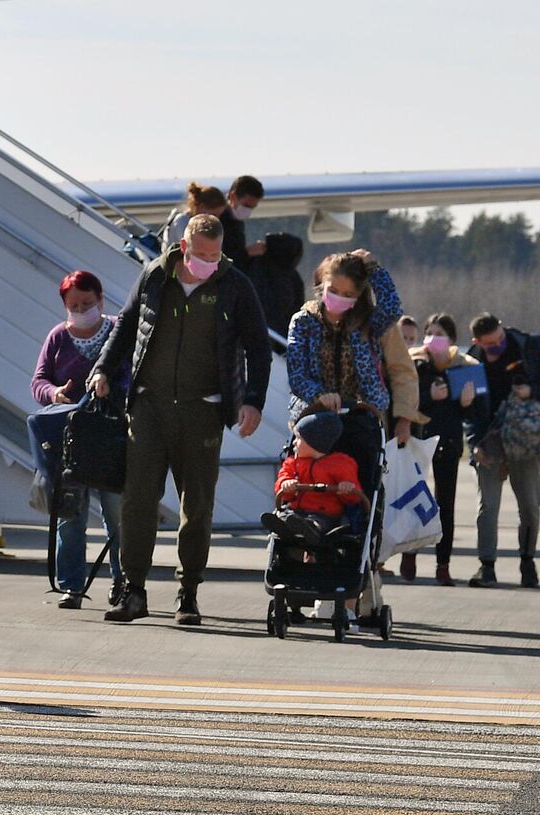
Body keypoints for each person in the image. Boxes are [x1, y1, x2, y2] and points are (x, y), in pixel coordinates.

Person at [91, 213, 271, 626]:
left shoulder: (235, 286)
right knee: (137, 501)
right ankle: (132, 590)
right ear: (184, 246)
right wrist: (102, 369)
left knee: (197, 507)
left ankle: (187, 592)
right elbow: (125, 326)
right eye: (201, 254)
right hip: (149, 407)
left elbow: (258, 349)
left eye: (215, 254)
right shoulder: (155, 275)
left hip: (203, 410)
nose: (208, 262)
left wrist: (253, 401)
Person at [283, 253, 417, 502]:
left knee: (361, 473)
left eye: (347, 294)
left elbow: (392, 308)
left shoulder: (368, 323)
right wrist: (319, 395)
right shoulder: (303, 321)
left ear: (358, 296)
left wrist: (374, 269)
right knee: (307, 473)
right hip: (315, 415)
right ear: (321, 284)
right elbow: (297, 373)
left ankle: (358, 522)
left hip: (361, 413)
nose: (339, 298)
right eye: (333, 290)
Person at [30, 270, 124, 609]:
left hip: (111, 438)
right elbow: (38, 381)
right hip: (70, 444)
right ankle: (71, 586)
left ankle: (122, 583)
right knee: (70, 517)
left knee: (117, 515)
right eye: (74, 305)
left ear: (101, 299)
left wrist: (112, 388)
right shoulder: (57, 337)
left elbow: (133, 372)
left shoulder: (116, 331)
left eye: (88, 303)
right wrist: (54, 393)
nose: (82, 309)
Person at [465, 314, 540, 587]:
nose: (497, 345)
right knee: (488, 506)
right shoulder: (472, 360)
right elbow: (469, 412)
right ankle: (487, 566)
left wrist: (531, 391)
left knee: (530, 506)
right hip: (490, 439)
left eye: (499, 339)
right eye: (490, 344)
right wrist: (474, 444)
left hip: (524, 438)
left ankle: (527, 561)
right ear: (477, 342)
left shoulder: (528, 347)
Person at [404, 314, 475, 584]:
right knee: (414, 500)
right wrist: (429, 397)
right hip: (418, 440)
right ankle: (409, 551)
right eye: (430, 332)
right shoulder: (415, 365)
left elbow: (477, 410)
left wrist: (467, 403)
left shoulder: (462, 367)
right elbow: (406, 400)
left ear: (453, 340)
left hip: (449, 442)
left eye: (440, 333)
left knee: (445, 503)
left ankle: (442, 564)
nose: (433, 338)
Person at [262, 410, 363, 547]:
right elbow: (282, 480)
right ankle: (286, 527)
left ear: (314, 442)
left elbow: (354, 495)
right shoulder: (293, 463)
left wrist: (347, 488)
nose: (294, 443)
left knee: (319, 522)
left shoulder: (341, 464)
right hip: (296, 511)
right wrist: (286, 484)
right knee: (286, 516)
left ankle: (310, 528)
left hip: (325, 514)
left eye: (298, 438)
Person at [243, 231, 307, 335]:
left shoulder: (256, 264)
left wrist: (243, 254)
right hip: (278, 337)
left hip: (254, 332)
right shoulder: (294, 278)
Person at [159, 183, 226, 254]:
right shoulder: (182, 221)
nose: (216, 218)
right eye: (214, 214)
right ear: (202, 207)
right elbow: (191, 249)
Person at [221, 175, 266, 267]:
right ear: (233, 196)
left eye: (252, 207)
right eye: (246, 205)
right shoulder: (219, 221)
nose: (248, 211)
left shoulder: (237, 221)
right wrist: (248, 252)